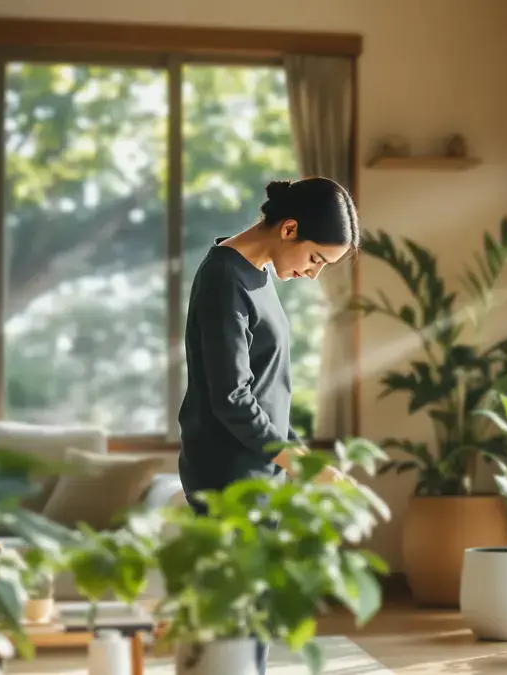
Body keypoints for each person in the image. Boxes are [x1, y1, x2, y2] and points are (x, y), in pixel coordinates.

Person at [176, 176, 360, 674]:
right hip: (229, 473)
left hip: (260, 468)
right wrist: (297, 462)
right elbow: (232, 399)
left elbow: (267, 392)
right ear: (290, 228)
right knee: (236, 621)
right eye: (316, 259)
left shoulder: (258, 274)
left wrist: (305, 460)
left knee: (252, 618)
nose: (313, 274)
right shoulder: (224, 278)